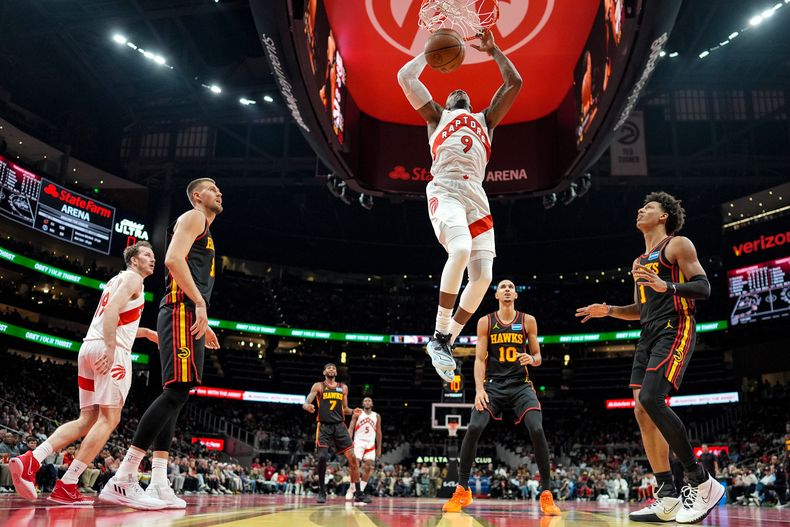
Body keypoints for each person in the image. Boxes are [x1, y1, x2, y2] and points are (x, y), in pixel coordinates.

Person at [576, 191, 724, 523]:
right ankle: (667, 493)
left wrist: (668, 287)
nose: (640, 209)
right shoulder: (639, 262)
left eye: (649, 207)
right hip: (648, 332)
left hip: (676, 326)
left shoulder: (677, 245)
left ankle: (701, 481)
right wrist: (609, 310)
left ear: (663, 217)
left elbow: (703, 288)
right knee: (642, 410)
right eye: (641, 206)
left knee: (652, 398)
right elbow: (641, 309)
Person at [397, 30, 522, 382]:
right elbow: (405, 77)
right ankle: (439, 333)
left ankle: (445, 340)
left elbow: (515, 82)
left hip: (477, 196)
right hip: (446, 189)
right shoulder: (436, 116)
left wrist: (495, 51)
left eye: (464, 92)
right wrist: (428, 54)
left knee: (484, 277)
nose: (460, 91)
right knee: (461, 250)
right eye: (454, 91)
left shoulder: (487, 120)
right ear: (448, 101)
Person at [100, 178, 222, 509]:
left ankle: (157, 480)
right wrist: (199, 304)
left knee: (178, 394)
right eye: (212, 189)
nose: (219, 193)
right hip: (181, 309)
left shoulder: (205, 230)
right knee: (175, 392)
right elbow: (172, 259)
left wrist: (204, 316)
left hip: (187, 311)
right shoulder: (194, 216)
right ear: (198, 196)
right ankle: (123, 477)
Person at [10, 242, 159, 506]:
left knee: (86, 419)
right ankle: (68, 483)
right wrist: (112, 348)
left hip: (89, 347)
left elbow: (115, 317)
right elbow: (112, 310)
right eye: (147, 254)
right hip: (109, 350)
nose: (153, 259)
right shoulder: (134, 278)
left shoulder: (118, 279)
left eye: (153, 255)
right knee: (109, 418)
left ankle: (30, 460)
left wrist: (144, 333)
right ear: (133, 260)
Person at [442, 279, 560, 516]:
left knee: (537, 429)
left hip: (520, 385)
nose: (507, 289)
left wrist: (532, 359)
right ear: (496, 295)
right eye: (502, 287)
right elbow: (478, 359)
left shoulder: (528, 320)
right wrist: (479, 389)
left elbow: (538, 356)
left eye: (510, 287)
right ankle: (462, 489)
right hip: (493, 386)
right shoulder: (486, 321)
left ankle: (546, 493)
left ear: (516, 294)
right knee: (474, 426)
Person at [303, 363, 371, 505]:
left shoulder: (343, 387)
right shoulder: (319, 386)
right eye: (329, 368)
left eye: (333, 368)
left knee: (353, 459)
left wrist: (353, 411)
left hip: (340, 426)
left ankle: (358, 493)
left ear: (336, 372)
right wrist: (307, 405)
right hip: (324, 427)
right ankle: (322, 491)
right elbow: (307, 400)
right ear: (324, 372)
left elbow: (344, 408)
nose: (332, 369)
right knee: (322, 457)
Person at [346, 397, 382, 500]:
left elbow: (379, 433)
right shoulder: (357, 413)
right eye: (365, 401)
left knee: (368, 467)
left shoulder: (377, 416)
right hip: (358, 443)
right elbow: (351, 427)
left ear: (372, 403)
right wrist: (348, 443)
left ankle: (360, 491)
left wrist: (379, 448)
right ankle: (351, 488)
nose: (367, 402)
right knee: (355, 466)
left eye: (369, 400)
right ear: (363, 403)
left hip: (370, 444)